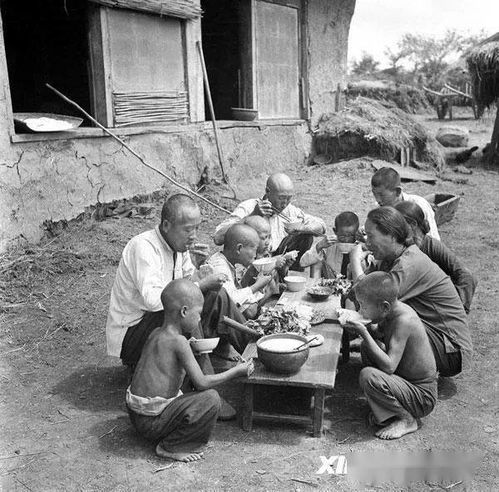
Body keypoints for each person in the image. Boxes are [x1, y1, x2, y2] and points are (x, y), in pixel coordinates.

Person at [106, 194, 253, 418]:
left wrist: (197, 270)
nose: (193, 236)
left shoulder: (178, 247)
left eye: (196, 228)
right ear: (166, 225)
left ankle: (255, 352)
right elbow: (155, 300)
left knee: (216, 293)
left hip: (160, 327)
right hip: (134, 333)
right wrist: (199, 283)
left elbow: (186, 284)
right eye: (187, 229)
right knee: (184, 309)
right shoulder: (144, 247)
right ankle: (205, 386)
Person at [127, 279, 254, 462]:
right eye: (199, 314)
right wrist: (237, 371)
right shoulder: (178, 342)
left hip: (136, 415)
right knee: (211, 399)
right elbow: (202, 383)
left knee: (187, 383)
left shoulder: (156, 333)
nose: (200, 319)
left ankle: (166, 431)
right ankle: (171, 446)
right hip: (152, 423)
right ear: (184, 311)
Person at [349, 207, 472, 377]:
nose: (367, 242)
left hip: (451, 349)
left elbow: (367, 294)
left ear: (391, 236)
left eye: (371, 236)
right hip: (439, 341)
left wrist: (354, 261)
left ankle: (404, 382)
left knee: (395, 320)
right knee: (375, 334)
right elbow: (357, 294)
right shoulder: (389, 260)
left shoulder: (408, 263)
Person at [342, 272, 437, 440]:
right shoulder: (392, 312)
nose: (360, 310)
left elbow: (389, 366)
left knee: (368, 375)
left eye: (363, 306)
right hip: (404, 381)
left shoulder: (404, 320)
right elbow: (378, 333)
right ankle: (387, 411)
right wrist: (360, 326)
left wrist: (363, 332)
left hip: (422, 396)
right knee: (367, 347)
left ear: (384, 307)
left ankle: (407, 419)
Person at [213, 173, 326, 269]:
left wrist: (302, 228)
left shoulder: (289, 210)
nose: (285, 203)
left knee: (306, 236)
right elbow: (218, 238)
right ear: (267, 191)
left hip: (279, 257)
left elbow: (321, 226)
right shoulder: (249, 206)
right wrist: (253, 215)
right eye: (281, 198)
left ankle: (290, 276)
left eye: (289, 198)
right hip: (254, 259)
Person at [394, 201, 477, 314]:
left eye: (399, 226)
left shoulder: (432, 246)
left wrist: (457, 309)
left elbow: (466, 276)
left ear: (412, 224)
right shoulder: (400, 247)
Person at [206, 224, 277, 319]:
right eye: (254, 250)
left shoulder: (228, 262)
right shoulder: (220, 267)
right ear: (239, 249)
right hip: (216, 319)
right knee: (251, 309)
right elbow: (231, 300)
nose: (255, 255)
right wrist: (257, 286)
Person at [371, 167, 440, 240]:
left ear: (398, 191)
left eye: (382, 195)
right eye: (374, 194)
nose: (377, 200)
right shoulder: (382, 207)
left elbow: (433, 239)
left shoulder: (419, 204)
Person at [300, 211, 360, 277]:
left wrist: (364, 244)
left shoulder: (361, 244)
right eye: (342, 236)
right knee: (316, 261)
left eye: (351, 236)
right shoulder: (329, 244)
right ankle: (315, 286)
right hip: (332, 282)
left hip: (357, 283)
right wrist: (319, 246)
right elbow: (303, 263)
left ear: (357, 233)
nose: (346, 240)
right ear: (335, 231)